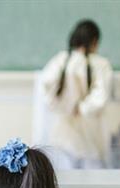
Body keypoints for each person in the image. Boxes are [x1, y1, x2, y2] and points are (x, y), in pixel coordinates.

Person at [39, 19, 113, 169]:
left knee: (64, 182)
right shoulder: (101, 63)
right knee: (94, 183)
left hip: (62, 135)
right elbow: (101, 96)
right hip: (90, 135)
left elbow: (45, 88)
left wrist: (64, 106)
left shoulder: (60, 60)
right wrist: (82, 108)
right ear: (94, 41)